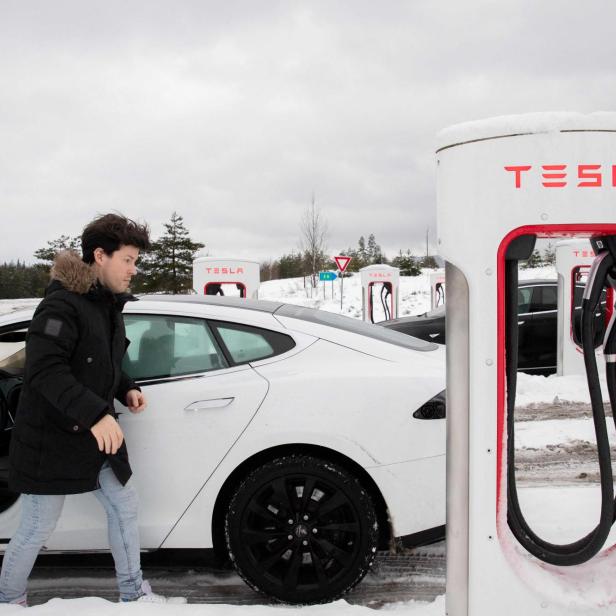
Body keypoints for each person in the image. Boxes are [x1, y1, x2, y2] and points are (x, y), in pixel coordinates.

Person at [0, 213, 186, 606]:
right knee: (37, 526)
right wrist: (96, 414)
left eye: (137, 261)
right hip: (51, 438)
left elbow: (101, 360)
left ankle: (133, 593)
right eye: (128, 260)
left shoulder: (107, 306)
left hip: (93, 436)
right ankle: (8, 601)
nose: (134, 270)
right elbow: (45, 370)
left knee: (124, 505)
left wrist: (126, 387)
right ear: (100, 255)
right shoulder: (60, 307)